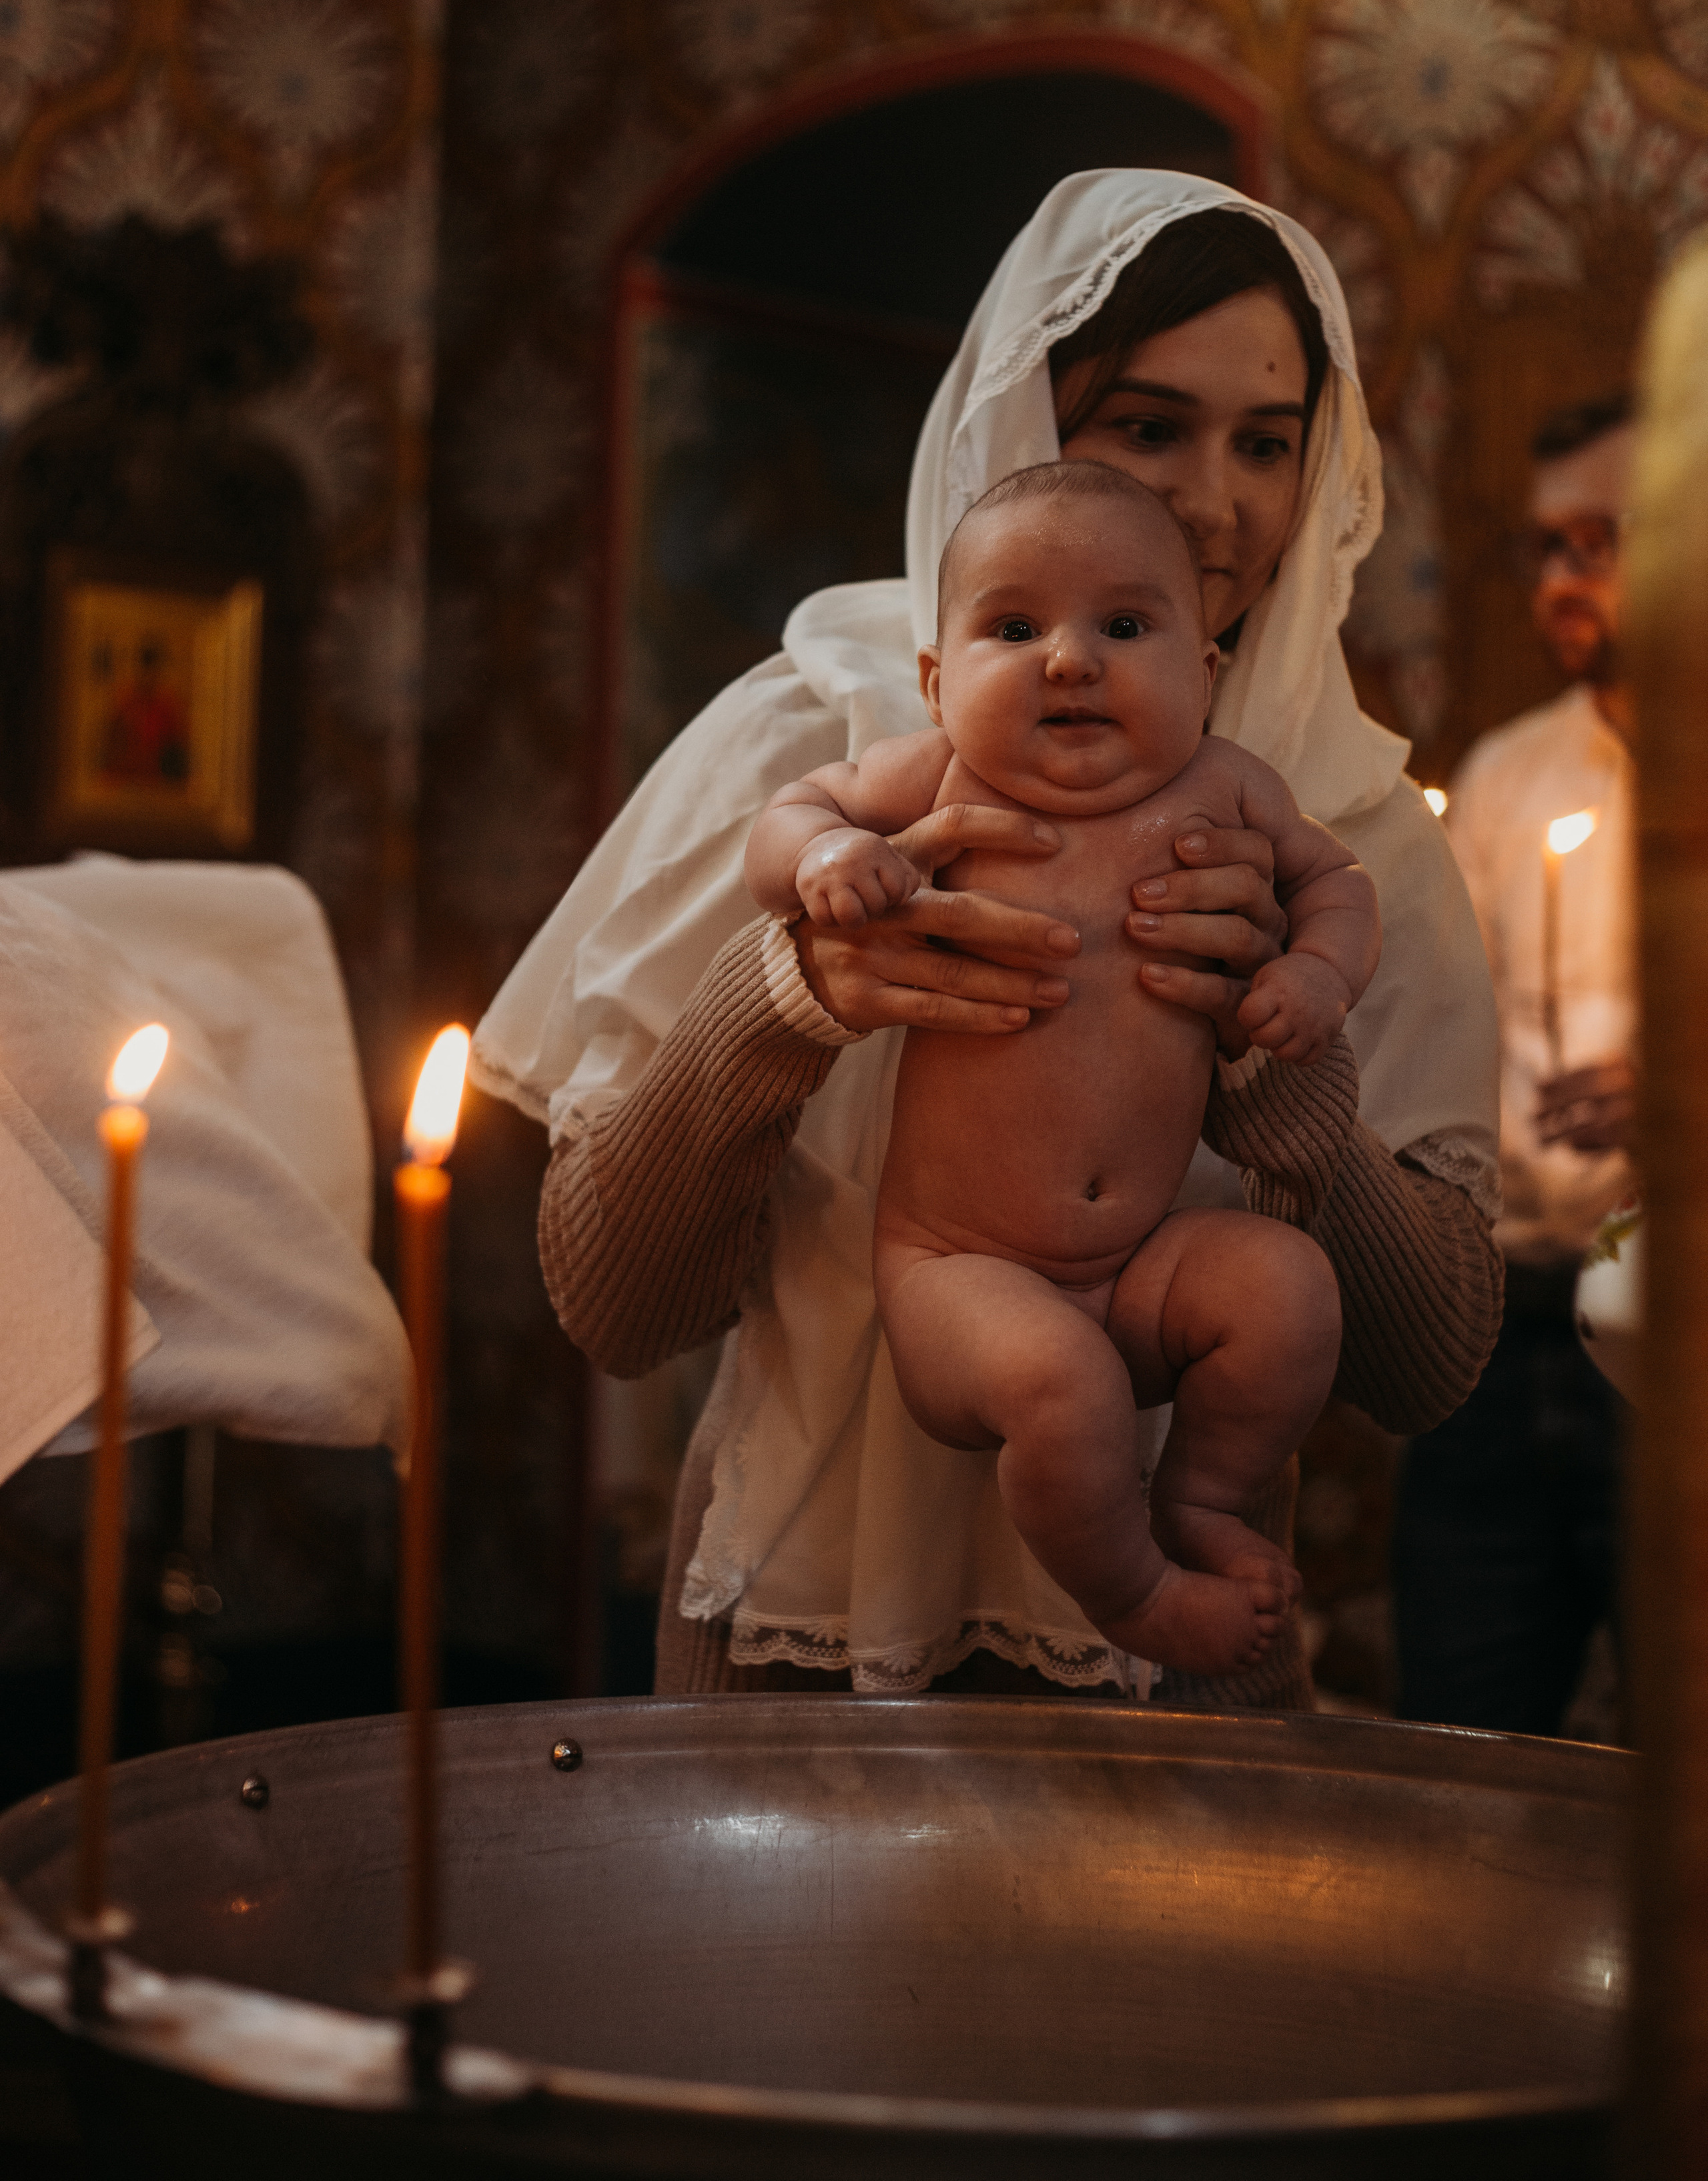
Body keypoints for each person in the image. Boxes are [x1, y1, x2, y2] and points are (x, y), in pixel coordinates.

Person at [472, 171, 1503, 1710]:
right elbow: (617, 1310)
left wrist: (1280, 1074)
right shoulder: (810, 738)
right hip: (787, 1656)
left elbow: (1422, 1370)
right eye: (1145, 428)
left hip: (1173, 1682)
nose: (1212, 502)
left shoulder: (1343, 816)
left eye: (1264, 444)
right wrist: (791, 996)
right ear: (1017, 433)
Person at [745, 460, 1379, 1674]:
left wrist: (1316, 978)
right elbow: (792, 812)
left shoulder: (1232, 789)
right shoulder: (935, 778)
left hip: (1142, 1264)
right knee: (1062, 1383)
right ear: (937, 684)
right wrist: (827, 854)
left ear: (1205, 672)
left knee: (1285, 1286)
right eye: (1015, 627)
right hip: (959, 1273)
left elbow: (1337, 883)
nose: (1070, 661)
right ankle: (1136, 1596)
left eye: (1125, 626)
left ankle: (1197, 1501)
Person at [1393, 394, 1635, 1735]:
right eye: (1539, 548)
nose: (1558, 581)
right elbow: (1438, 1040)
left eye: (1597, 541)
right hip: (1499, 1332)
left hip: (1682, 1335)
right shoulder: (1505, 774)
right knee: (1464, 1726)